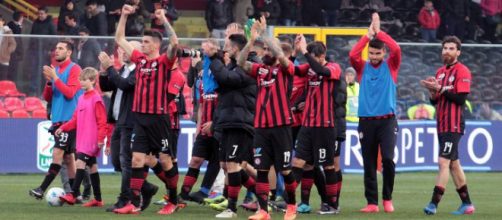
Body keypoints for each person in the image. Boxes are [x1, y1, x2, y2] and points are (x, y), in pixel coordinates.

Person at [112, 4, 179, 215]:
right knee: (137, 160)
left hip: (159, 119)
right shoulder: (139, 60)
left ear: (156, 45)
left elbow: (175, 43)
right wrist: (123, 15)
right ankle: (133, 203)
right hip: (139, 119)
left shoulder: (164, 62)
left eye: (146, 42)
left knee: (166, 161)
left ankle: (173, 200)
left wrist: (164, 19)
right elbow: (119, 39)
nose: (143, 45)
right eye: (142, 42)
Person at [238, 18, 298, 220]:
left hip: (281, 126)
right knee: (262, 170)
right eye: (263, 49)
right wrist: (251, 40)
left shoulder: (286, 69)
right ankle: (263, 210)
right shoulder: (261, 71)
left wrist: (264, 33)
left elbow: (280, 54)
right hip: (261, 127)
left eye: (267, 49)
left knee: (286, 170)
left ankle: (291, 206)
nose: (264, 52)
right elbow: (240, 63)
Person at [201, 34, 258, 218]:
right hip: (228, 121)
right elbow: (222, 89)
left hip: (240, 122)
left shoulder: (248, 65)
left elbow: (227, 79)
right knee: (226, 164)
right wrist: (216, 123)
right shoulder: (233, 65)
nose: (223, 49)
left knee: (233, 164)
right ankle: (263, 195)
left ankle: (231, 209)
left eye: (226, 46)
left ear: (235, 49)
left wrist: (214, 58)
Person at [349, 12, 401, 213]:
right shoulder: (362, 68)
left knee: (387, 159)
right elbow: (353, 55)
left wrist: (380, 32)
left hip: (387, 121)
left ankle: (387, 198)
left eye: (378, 54)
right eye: (371, 53)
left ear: (384, 54)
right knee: (368, 162)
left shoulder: (391, 66)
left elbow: (396, 48)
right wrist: (367, 37)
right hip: (366, 122)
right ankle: (372, 203)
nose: (374, 57)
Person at [420, 36, 475, 215]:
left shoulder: (463, 71)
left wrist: (441, 89)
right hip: (442, 124)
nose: (447, 51)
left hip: (454, 124)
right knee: (454, 165)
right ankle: (467, 203)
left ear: (458, 52)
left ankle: (433, 203)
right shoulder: (440, 72)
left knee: (443, 162)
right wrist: (432, 91)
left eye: (451, 48)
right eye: (445, 48)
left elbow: (460, 99)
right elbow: (435, 101)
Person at [291, 34, 342, 214]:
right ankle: (290, 202)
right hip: (307, 125)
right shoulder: (309, 69)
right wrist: (294, 53)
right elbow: (290, 70)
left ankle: (333, 206)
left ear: (323, 56)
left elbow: (322, 71)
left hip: (324, 125)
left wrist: (305, 52)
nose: (313, 60)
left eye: (315, 57)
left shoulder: (334, 68)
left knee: (327, 165)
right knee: (299, 162)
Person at [29, 41, 82, 200]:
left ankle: (41, 189)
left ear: (69, 52)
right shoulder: (56, 70)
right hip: (58, 120)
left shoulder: (75, 69)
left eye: (61, 48)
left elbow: (71, 93)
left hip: (69, 120)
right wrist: (50, 81)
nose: (56, 51)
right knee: (68, 158)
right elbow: (47, 97)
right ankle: (76, 193)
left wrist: (55, 78)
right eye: (56, 48)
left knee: (58, 153)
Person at [57, 67, 107, 207]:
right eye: (80, 80)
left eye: (84, 80)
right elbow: (75, 120)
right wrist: (63, 127)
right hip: (82, 138)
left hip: (91, 139)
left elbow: (102, 121)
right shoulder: (81, 98)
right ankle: (98, 199)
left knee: (80, 163)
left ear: (92, 80)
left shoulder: (96, 98)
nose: (81, 83)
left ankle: (73, 194)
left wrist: (100, 139)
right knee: (93, 167)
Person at [178, 50, 221, 205]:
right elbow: (202, 105)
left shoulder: (224, 81)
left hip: (219, 128)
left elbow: (226, 106)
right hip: (204, 126)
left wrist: (215, 124)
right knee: (195, 159)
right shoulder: (204, 82)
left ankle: (204, 191)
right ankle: (184, 193)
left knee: (217, 162)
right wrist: (198, 128)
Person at [0, 15, 17, 80]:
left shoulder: (7, 31)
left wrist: (7, 51)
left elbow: (13, 44)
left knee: (2, 78)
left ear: (3, 22)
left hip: (4, 59)